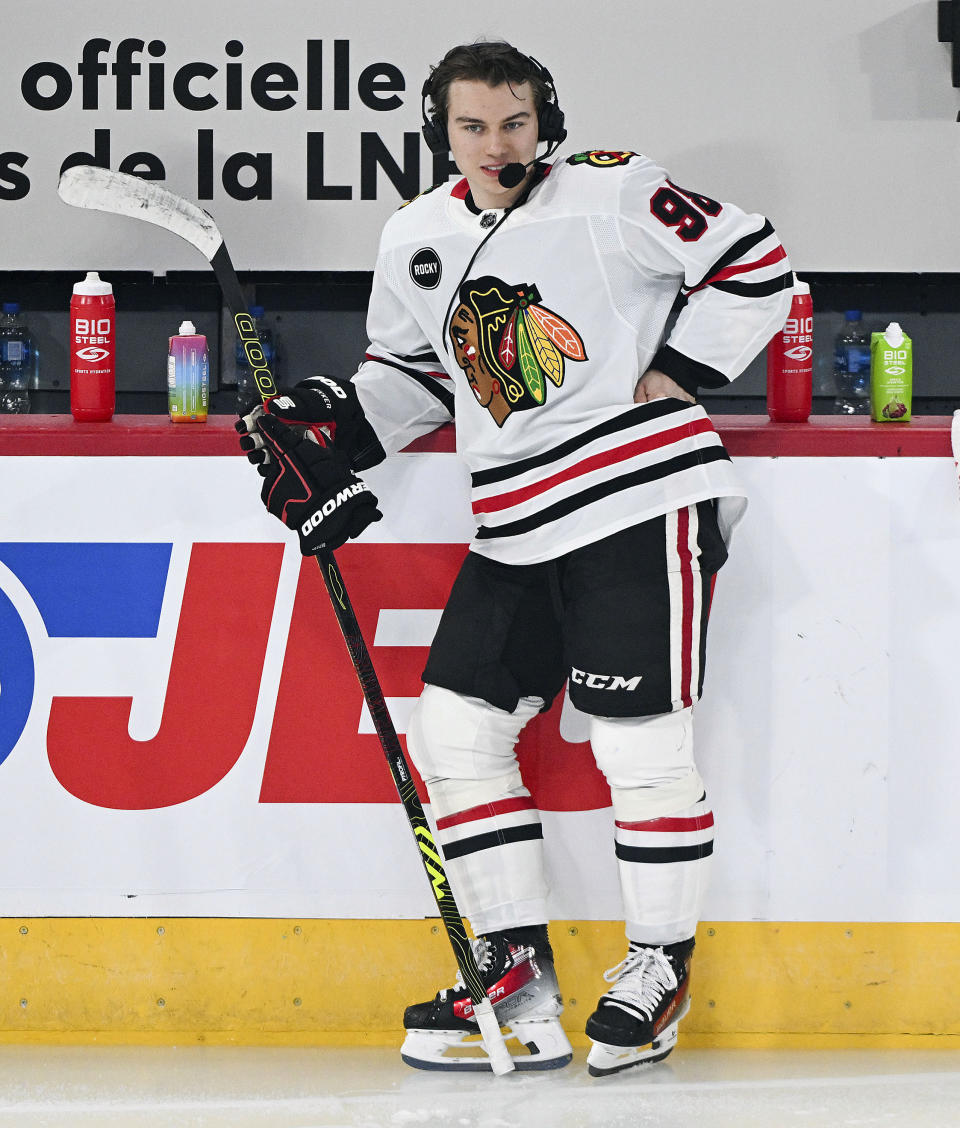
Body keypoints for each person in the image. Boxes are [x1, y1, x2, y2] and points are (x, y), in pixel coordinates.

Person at [238, 40, 793, 1076]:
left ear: (547, 121)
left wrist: (682, 365)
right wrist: (327, 426)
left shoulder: (613, 190)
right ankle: (517, 979)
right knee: (453, 732)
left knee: (640, 747)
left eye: (515, 122)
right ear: (438, 134)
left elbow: (754, 258)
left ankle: (658, 972)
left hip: (636, 498)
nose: (497, 145)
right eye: (473, 126)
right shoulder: (415, 236)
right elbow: (412, 379)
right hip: (514, 523)